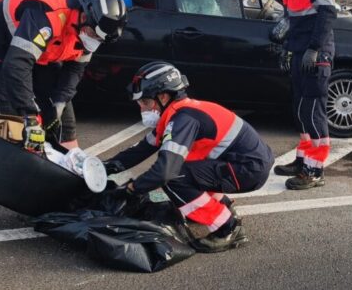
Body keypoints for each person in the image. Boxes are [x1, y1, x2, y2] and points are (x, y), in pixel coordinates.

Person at [104, 61, 273, 252]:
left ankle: (227, 228)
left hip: (248, 170)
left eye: (145, 102)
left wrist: (131, 189)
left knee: (174, 177)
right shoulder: (180, 112)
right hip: (245, 164)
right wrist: (108, 166)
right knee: (184, 166)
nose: (142, 109)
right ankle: (221, 205)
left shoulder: (183, 120)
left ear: (163, 96)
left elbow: (164, 173)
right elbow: (143, 148)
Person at [0, 0, 128, 151]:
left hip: (43, 49)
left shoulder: (92, 33)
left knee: (61, 114)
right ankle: (11, 160)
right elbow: (16, 65)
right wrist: (30, 117)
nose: (94, 41)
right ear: (84, 16)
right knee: (7, 103)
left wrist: (60, 102)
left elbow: (74, 70)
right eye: (93, 35)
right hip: (2, 39)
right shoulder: (48, 14)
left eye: (100, 40)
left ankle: (70, 162)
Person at [269, 0, 337, 190]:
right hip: (299, 49)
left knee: (313, 112)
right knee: (299, 109)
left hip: (315, 52)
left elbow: (326, 13)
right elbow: (293, 11)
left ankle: (315, 171)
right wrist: (289, 44)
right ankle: (302, 160)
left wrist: (313, 49)